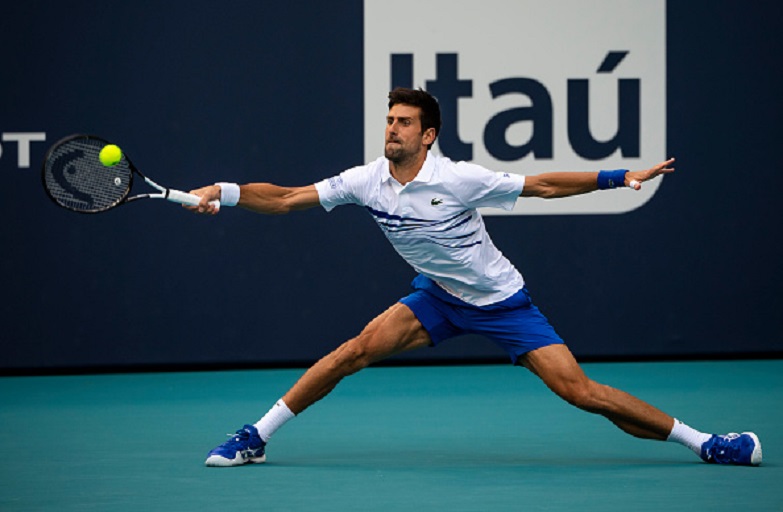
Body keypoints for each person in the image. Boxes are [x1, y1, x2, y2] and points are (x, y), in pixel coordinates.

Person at [188, 87, 761, 468]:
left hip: (504, 302)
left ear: (428, 135)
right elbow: (288, 199)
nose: (391, 129)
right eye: (388, 120)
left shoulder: (460, 179)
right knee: (353, 351)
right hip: (438, 298)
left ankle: (708, 443)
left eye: (404, 123)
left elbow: (542, 186)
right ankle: (256, 437)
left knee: (580, 392)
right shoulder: (366, 180)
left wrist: (619, 177)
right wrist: (226, 193)